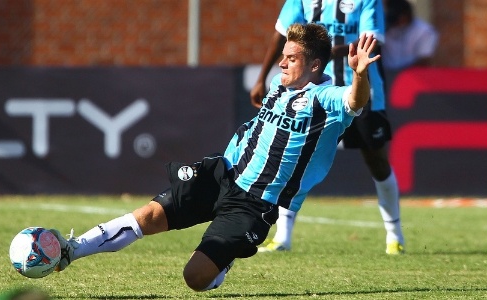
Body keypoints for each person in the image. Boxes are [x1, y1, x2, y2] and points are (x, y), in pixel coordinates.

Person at [48, 23, 381, 292]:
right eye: (283, 56)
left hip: (254, 203)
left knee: (195, 278)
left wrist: (360, 74)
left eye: (291, 58)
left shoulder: (327, 97)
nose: (282, 63)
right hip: (222, 174)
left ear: (314, 65)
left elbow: (355, 101)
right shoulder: (280, 87)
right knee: (148, 215)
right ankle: (70, 251)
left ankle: (225, 256)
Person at [250, 0, 405, 255]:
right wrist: (261, 78)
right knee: (295, 158)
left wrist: (331, 52)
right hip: (313, 93)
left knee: (377, 161)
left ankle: (394, 235)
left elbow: (371, 41)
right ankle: (283, 238)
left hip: (363, 92)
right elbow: (282, 34)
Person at [382, 0, 439, 72]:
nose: (400, 23)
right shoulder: (385, 27)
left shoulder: (424, 31)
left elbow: (425, 59)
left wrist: (402, 72)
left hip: (412, 73)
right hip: (386, 72)